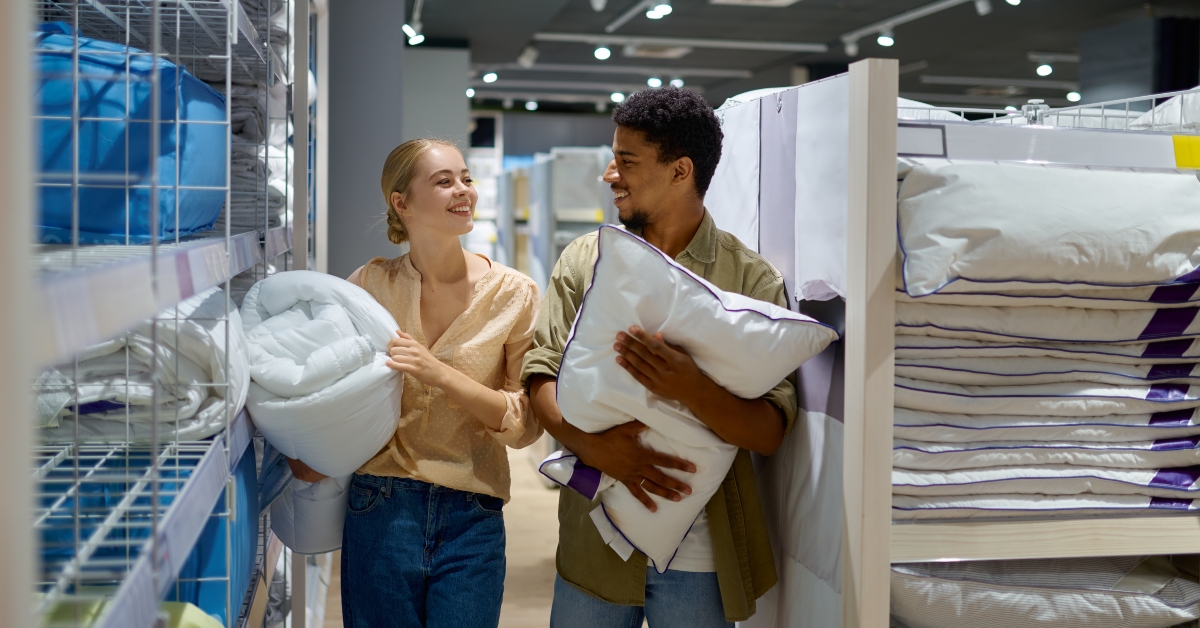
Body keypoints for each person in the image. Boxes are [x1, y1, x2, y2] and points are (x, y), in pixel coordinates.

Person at [521, 87, 797, 627]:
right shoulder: (586, 258)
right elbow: (539, 377)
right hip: (593, 543)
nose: (609, 173)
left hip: (701, 557)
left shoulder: (748, 281)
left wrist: (690, 386)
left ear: (680, 171)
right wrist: (596, 449)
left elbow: (770, 432)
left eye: (627, 160)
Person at [286, 138, 543, 628]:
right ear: (401, 203)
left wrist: (439, 373)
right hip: (380, 503)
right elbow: (328, 382)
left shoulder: (514, 293)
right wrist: (313, 447)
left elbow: (524, 424)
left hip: (473, 511)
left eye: (465, 178)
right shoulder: (368, 284)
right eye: (444, 181)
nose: (462, 190)